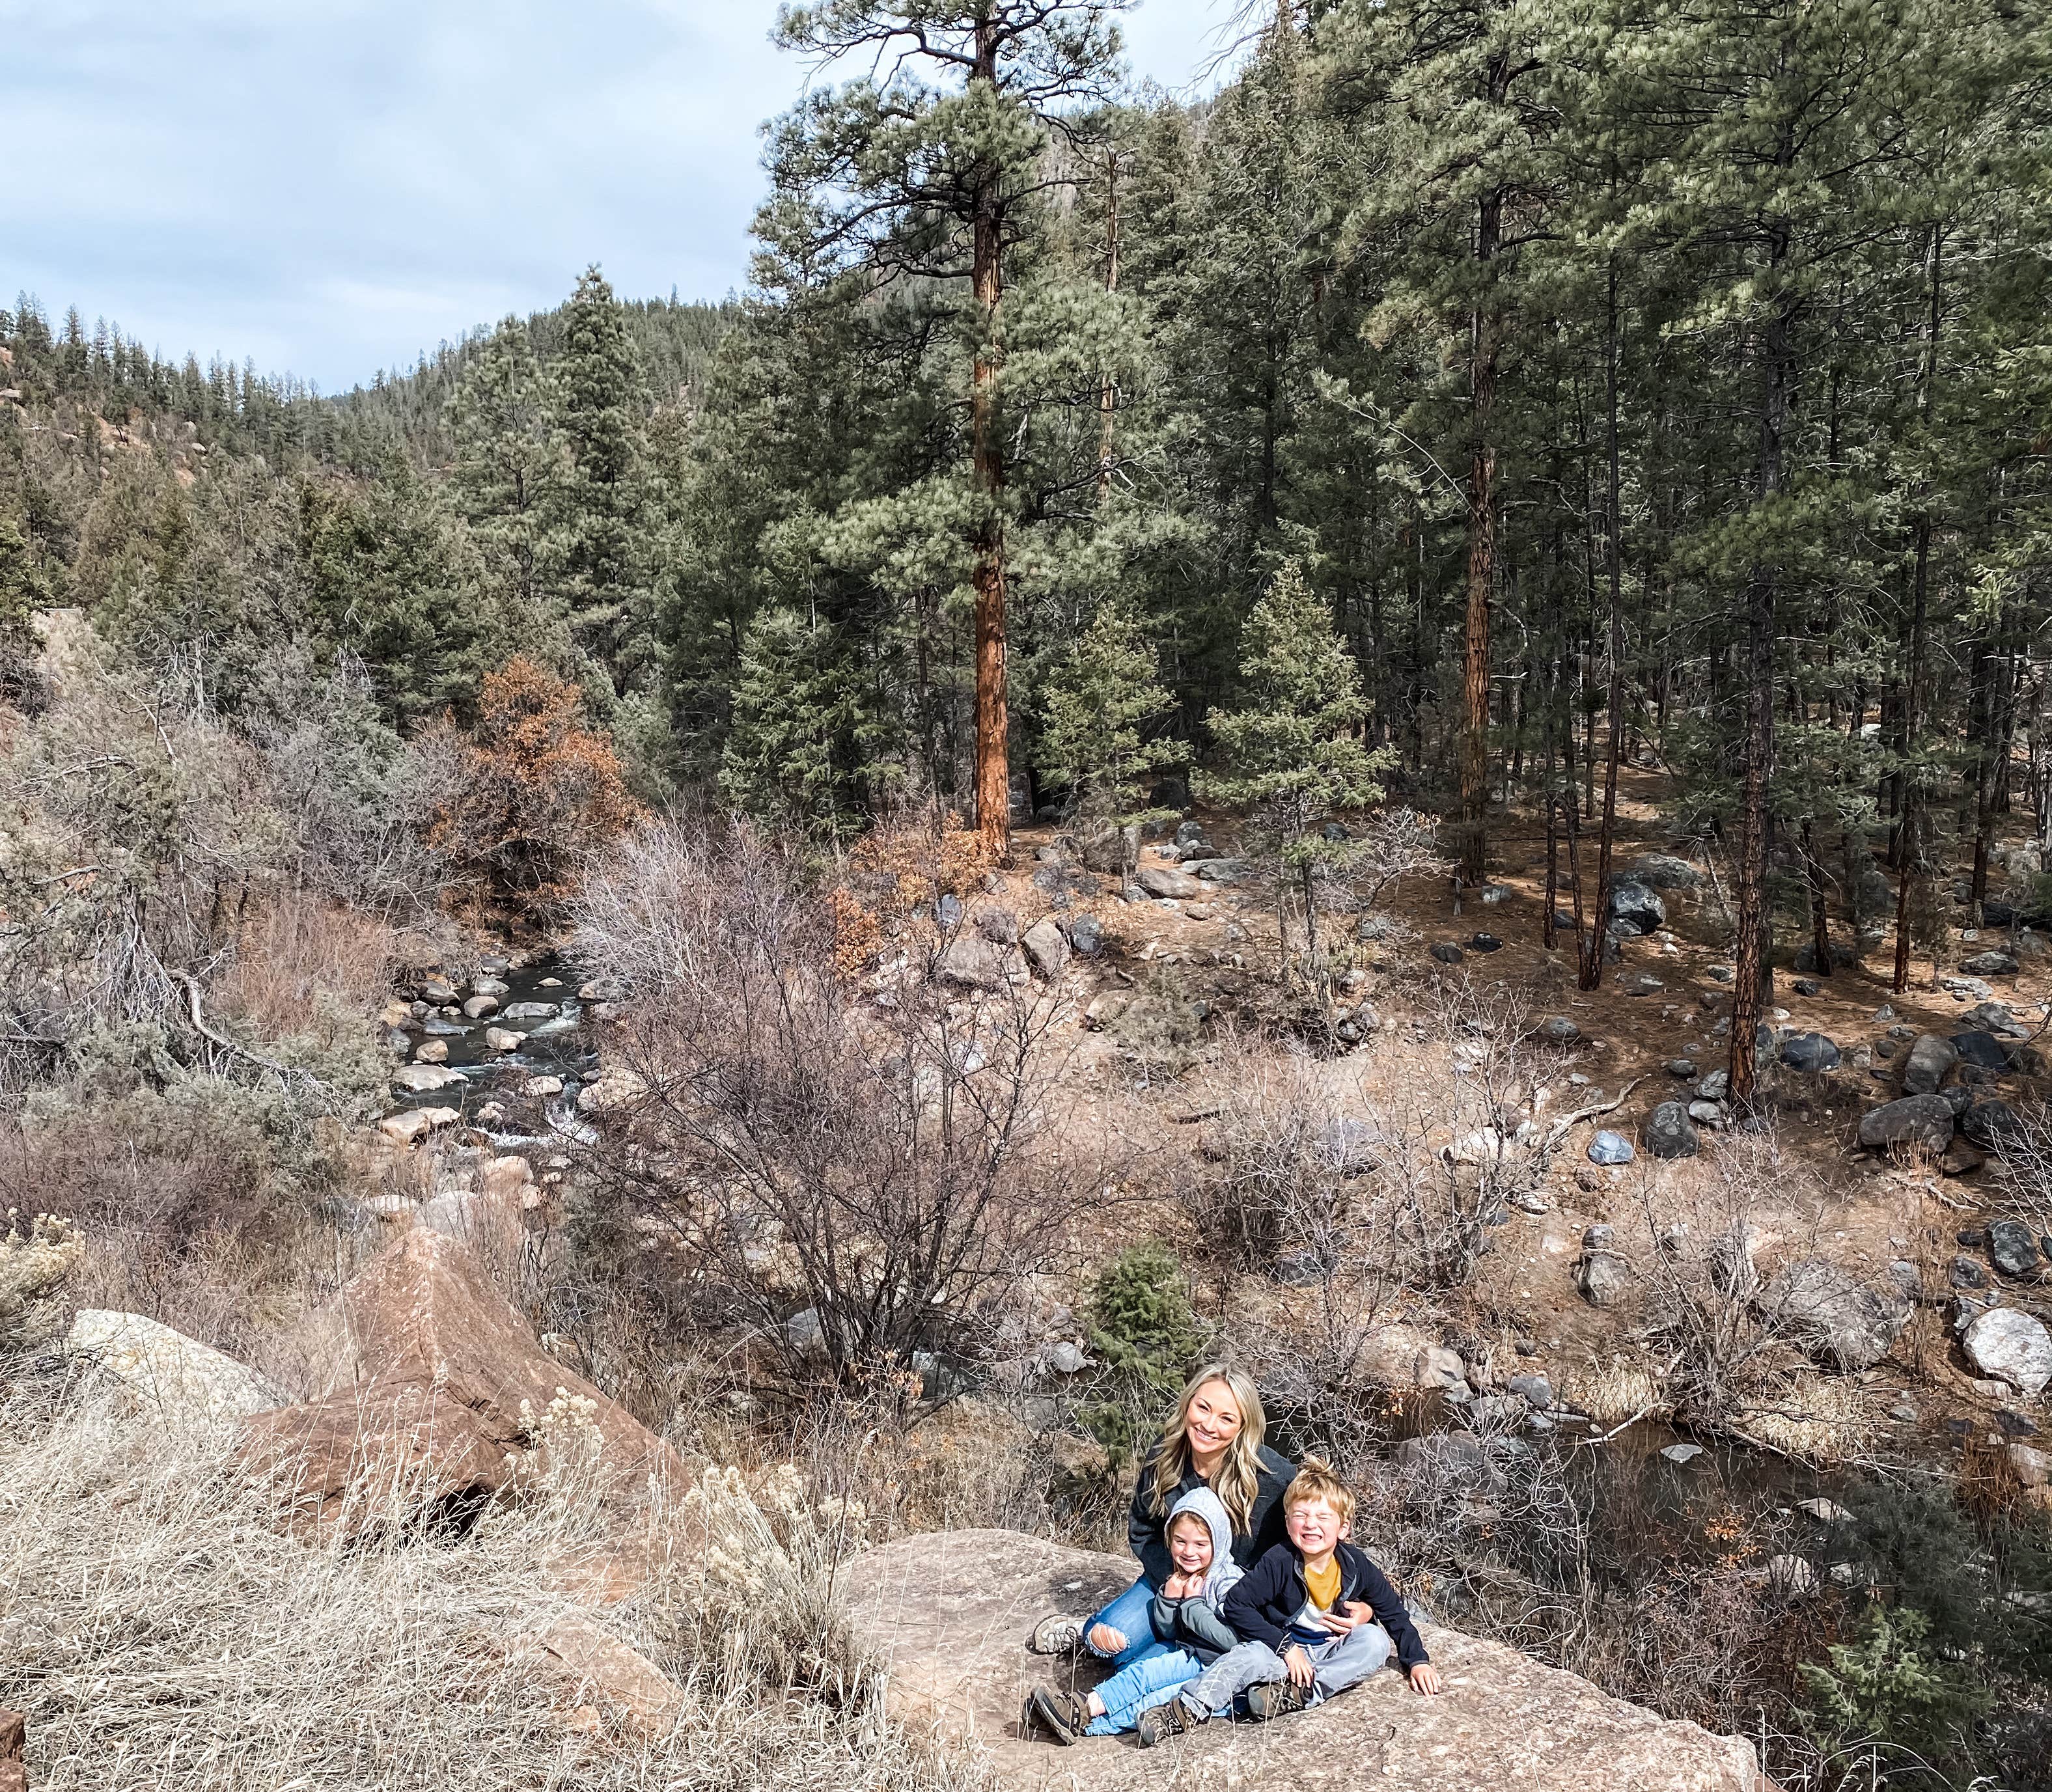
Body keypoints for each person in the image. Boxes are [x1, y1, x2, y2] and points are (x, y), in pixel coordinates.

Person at [1134, 1457, 1442, 1747]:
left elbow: (1394, 1612)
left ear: (1344, 1528)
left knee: (1374, 1642)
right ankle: (1185, 1711)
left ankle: (1300, 1693)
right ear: (1287, 1521)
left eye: (1324, 1517)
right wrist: (1285, 1647)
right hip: (1281, 1652)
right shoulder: (1280, 1560)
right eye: (1301, 1516)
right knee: (1248, 1656)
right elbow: (1237, 1605)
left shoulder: (1354, 1565)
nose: (1311, 1525)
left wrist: (1417, 1660)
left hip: (1330, 1647)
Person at [1027, 1364, 1296, 1670]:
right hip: (1171, 1580)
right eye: (1203, 1407)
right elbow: (1143, 1531)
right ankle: (1085, 1632)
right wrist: (1175, 1579)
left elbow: (1315, 1535)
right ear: (1188, 1403)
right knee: (1112, 1644)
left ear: (1243, 1426)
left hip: (1234, 1601)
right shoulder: (1164, 1456)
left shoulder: (1274, 1478)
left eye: (1226, 1418)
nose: (1209, 1425)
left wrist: (1358, 1601)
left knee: (1149, 1665)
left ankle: (1165, 1640)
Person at [1021, 1487, 1242, 1743]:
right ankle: (1071, 1718)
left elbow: (1233, 1640)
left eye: (1201, 1544)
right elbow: (1171, 1631)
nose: (1189, 1552)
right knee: (1136, 1673)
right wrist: (1169, 1599)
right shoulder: (1181, 1574)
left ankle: (1080, 1715)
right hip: (1187, 1652)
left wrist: (1192, 1604)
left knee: (1154, 1691)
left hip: (1211, 1661)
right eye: (1180, 1541)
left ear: (1219, 1542)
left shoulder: (1228, 1582)